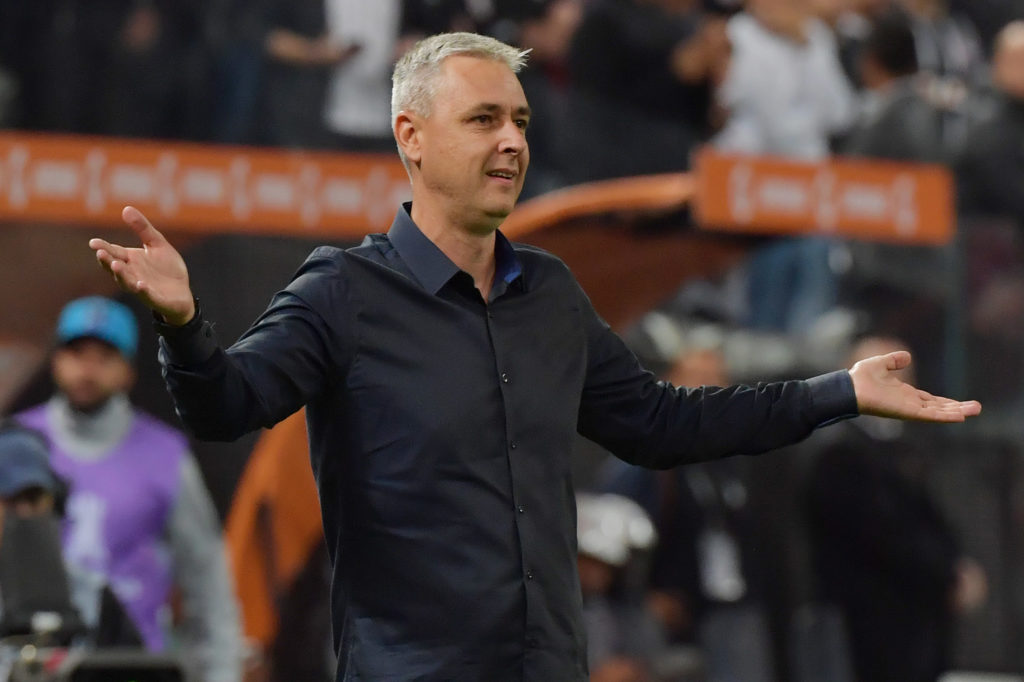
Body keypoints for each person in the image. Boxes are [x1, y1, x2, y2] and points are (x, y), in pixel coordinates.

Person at [87, 32, 981, 681]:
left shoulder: (550, 293)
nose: (512, 140)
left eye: (518, 119)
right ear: (411, 136)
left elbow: (663, 425)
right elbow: (226, 407)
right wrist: (184, 323)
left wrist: (840, 392)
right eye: (482, 119)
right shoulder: (342, 294)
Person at [14, 296, 242, 682]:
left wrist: (221, 672)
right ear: (56, 361)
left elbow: (206, 579)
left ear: (128, 372)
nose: (87, 369)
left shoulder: (165, 457)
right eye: (76, 352)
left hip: (133, 664)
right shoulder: (17, 447)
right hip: (33, 664)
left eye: (104, 356)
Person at [803, 335, 987, 682]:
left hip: (916, 621)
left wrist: (956, 567)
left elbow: (930, 519)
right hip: (872, 625)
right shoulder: (839, 453)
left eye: (903, 373)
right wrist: (945, 573)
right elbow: (883, 534)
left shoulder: (909, 447)